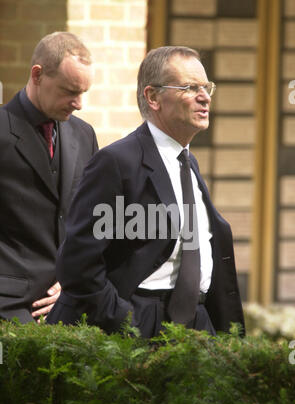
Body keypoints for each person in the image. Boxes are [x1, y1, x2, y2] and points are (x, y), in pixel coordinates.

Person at [46, 46, 245, 338]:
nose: (205, 97)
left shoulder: (188, 164)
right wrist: (127, 322)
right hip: (140, 323)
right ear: (153, 97)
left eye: (206, 87)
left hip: (196, 325)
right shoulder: (117, 162)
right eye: (190, 87)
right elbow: (79, 265)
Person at [0, 31, 98, 323]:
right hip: (7, 305)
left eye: (83, 93)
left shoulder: (84, 135)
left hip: (68, 303)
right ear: (37, 75)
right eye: (69, 91)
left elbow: (90, 221)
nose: (78, 103)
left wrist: (71, 282)